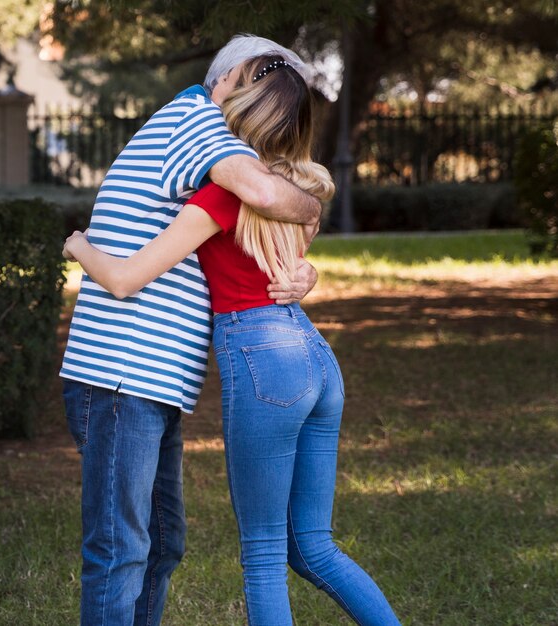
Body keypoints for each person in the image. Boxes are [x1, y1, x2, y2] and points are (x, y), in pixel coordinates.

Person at [63, 55, 402, 626]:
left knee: (265, 556)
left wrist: (79, 245)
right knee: (314, 545)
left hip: (263, 358)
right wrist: (308, 274)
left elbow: (124, 278)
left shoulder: (219, 197)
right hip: (315, 357)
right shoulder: (297, 196)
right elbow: (293, 255)